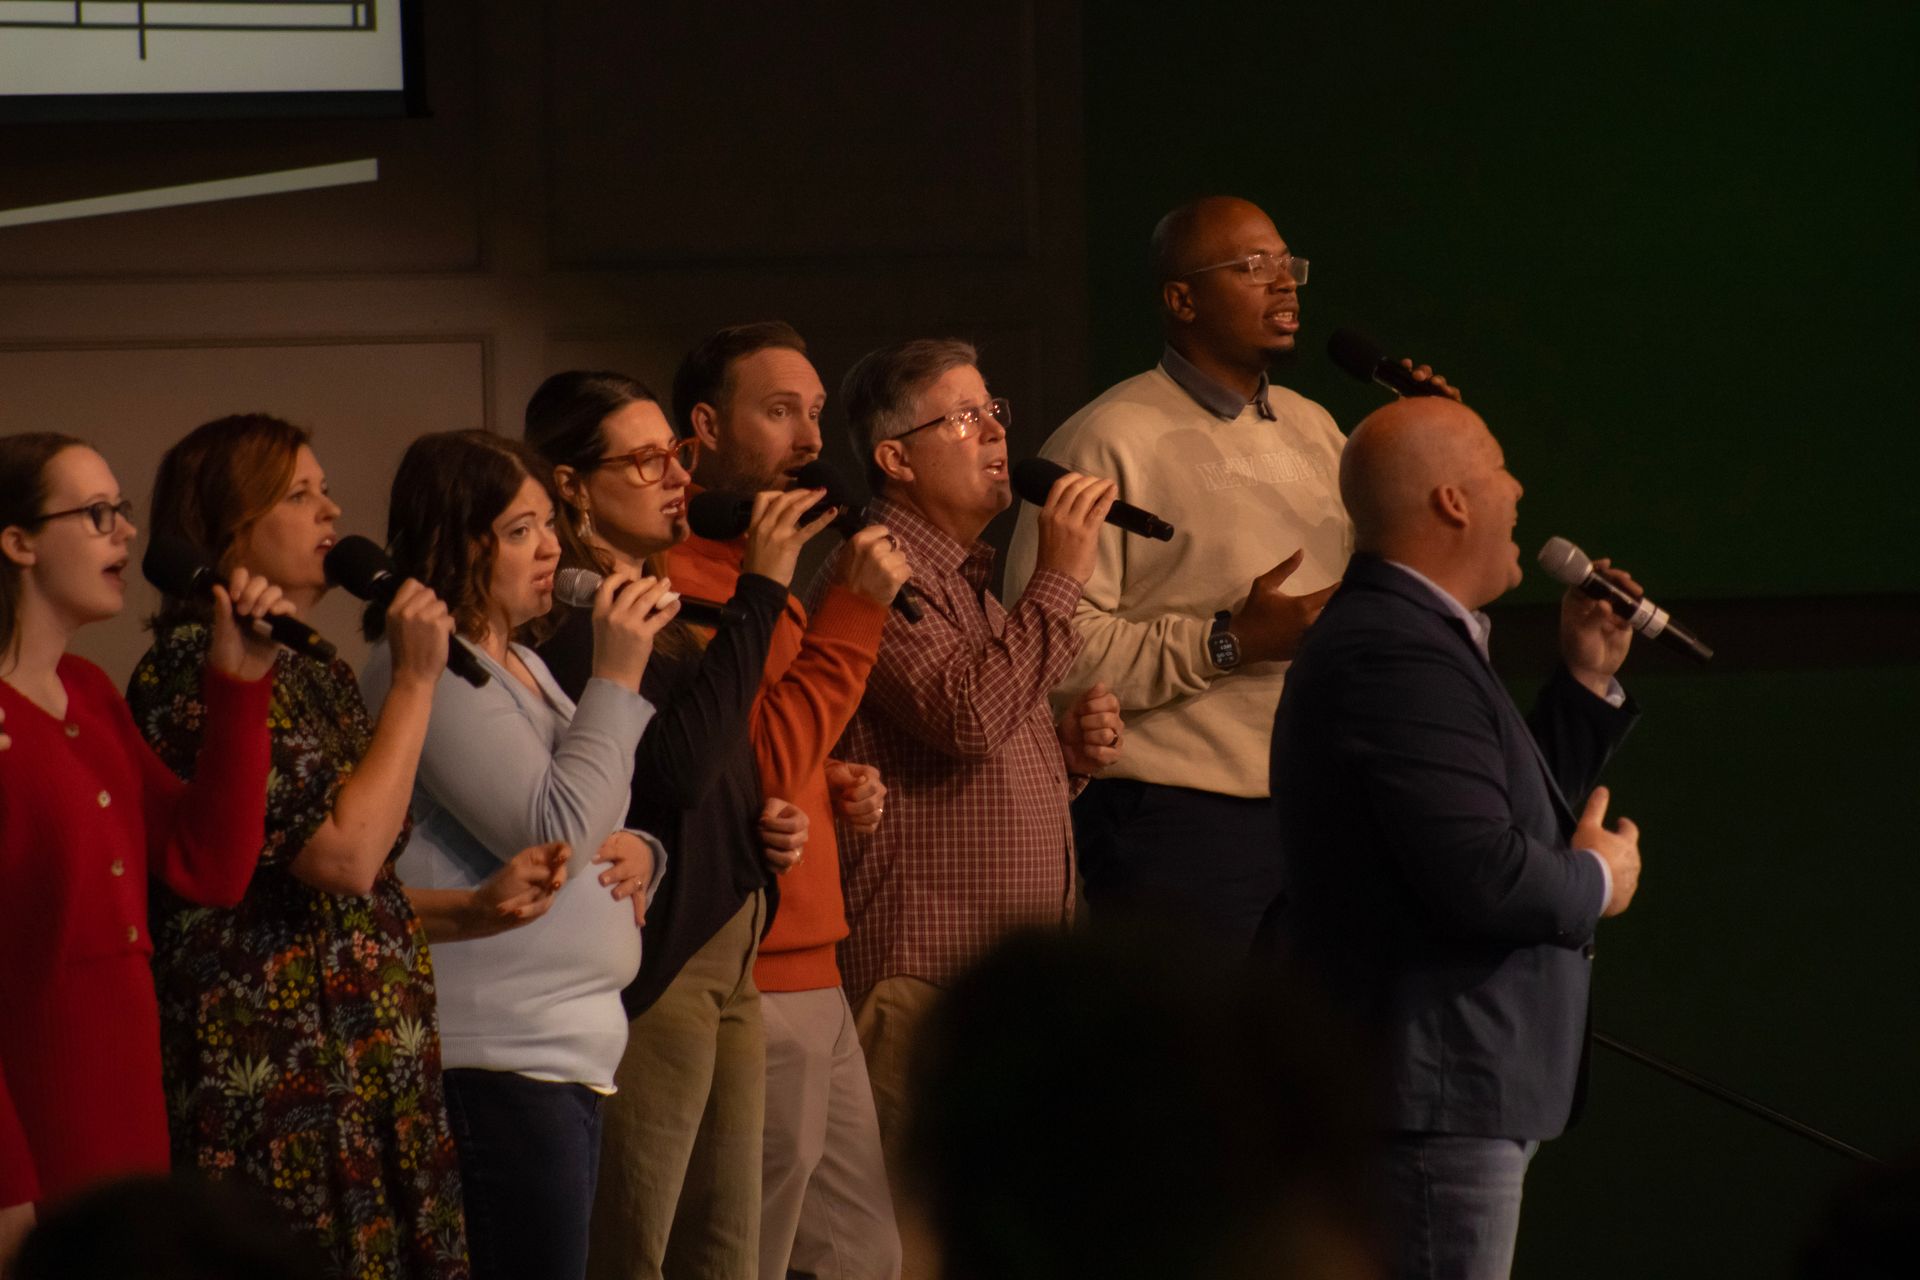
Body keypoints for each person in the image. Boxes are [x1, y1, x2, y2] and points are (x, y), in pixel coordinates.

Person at [128, 415, 573, 1280]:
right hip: (284, 1076)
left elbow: (352, 896)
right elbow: (342, 858)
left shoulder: (318, 669)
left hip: (372, 1064)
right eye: (299, 495)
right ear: (228, 529)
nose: (332, 509)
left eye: (325, 487)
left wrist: (468, 911)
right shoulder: (190, 668)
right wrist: (415, 677)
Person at [1005, 194, 1453, 951]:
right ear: (1181, 300)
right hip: (1178, 823)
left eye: (1288, 265)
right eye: (1253, 267)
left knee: (1301, 1064)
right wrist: (1229, 641)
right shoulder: (1108, 440)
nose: (1285, 285)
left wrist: (1435, 453)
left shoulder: (1315, 428)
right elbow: (1045, 652)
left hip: (1318, 807)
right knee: (1191, 1066)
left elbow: (1382, 588)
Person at [1269, 396, 1645, 1278]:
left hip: (1454, 1090)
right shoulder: (1394, 652)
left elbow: (1488, 819)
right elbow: (1481, 872)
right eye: (1500, 466)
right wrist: (1598, 879)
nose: (1518, 489)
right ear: (1453, 500)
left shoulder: (1420, 640)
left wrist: (1585, 682)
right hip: (1432, 1095)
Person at [820, 339, 1125, 1276]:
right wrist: (1064, 573)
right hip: (920, 984)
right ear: (895, 458)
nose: (996, 431)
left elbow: (980, 744)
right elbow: (964, 715)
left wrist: (1062, 759)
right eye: (964, 417)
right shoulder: (877, 572)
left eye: (994, 410)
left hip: (993, 992)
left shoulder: (970, 586)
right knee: (921, 1246)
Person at [525, 371, 830, 1280]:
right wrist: (764, 589)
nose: (677, 479)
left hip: (727, 928)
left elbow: (707, 763)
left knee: (726, 1250)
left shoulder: (655, 601)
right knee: (640, 1246)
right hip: (658, 961)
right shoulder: (582, 622)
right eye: (647, 459)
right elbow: (674, 770)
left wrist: (757, 818)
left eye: (679, 456)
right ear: (572, 486)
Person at [359, 430, 676, 1280]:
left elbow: (599, 801)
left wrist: (644, 849)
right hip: (495, 1058)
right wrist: (618, 671)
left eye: (549, 527)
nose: (550, 552)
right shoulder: (432, 670)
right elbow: (555, 827)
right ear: (460, 543)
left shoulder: (525, 663)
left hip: (562, 1050)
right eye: (520, 530)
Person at [0, 432, 283, 1268]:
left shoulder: (86, 694)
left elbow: (211, 865)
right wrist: (7, 1182)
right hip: (30, 1119)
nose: (128, 534)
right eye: (96, 514)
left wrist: (240, 683)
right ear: (17, 542)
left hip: (123, 1099)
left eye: (122, 511)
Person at [665, 321, 912, 1280]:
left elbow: (777, 758)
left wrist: (829, 779)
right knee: (746, 1254)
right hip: (751, 963)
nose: (812, 442)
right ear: (704, 430)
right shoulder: (686, 582)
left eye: (815, 414)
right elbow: (755, 758)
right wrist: (855, 610)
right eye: (780, 412)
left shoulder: (753, 577)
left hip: (815, 960)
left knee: (862, 1256)